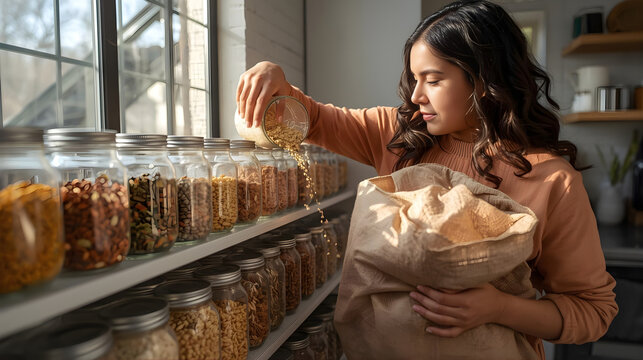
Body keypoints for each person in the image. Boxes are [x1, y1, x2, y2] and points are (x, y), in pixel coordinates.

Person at [236, 0, 617, 358]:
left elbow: (593, 310)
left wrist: (498, 307)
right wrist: (274, 77)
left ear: (483, 82)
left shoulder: (552, 181)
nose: (416, 95)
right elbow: (312, 119)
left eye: (432, 80)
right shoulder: (400, 135)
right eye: (414, 78)